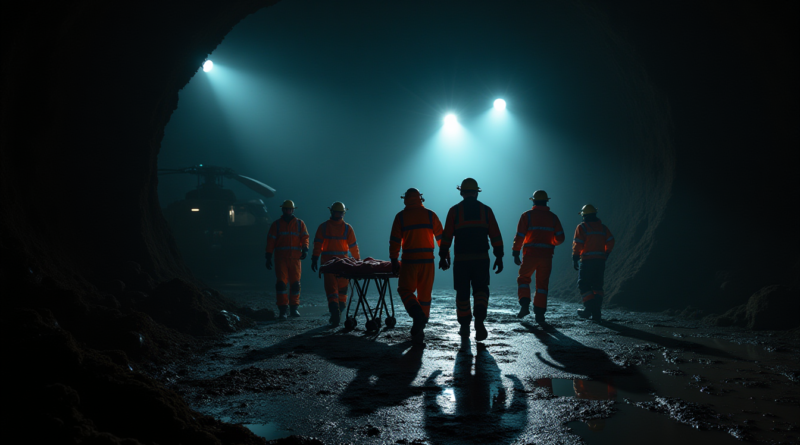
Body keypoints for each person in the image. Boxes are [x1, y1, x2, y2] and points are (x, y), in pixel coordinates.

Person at [439, 178, 504, 341]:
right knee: (481, 290)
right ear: (476, 192)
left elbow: (446, 237)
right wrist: (499, 256)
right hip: (482, 259)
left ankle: (464, 326)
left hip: (461, 261)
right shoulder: (486, 210)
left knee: (462, 293)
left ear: (461, 192)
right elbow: (495, 235)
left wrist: (442, 256)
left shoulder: (454, 211)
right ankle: (480, 321)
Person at [389, 188, 444, 344]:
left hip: (409, 261)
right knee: (424, 295)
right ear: (421, 199)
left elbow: (394, 240)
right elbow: (441, 237)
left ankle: (417, 316)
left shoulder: (400, 217)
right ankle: (420, 325)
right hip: (428, 261)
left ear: (405, 199)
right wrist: (444, 256)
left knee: (405, 290)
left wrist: (394, 260)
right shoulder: (430, 215)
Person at [512, 190, 565, 324]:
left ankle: (524, 305)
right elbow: (560, 238)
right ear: (546, 201)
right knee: (542, 285)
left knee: (524, 279)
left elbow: (520, 236)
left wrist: (516, 251)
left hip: (530, 255)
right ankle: (540, 315)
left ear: (533, 201)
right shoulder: (553, 218)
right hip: (546, 256)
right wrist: (551, 242)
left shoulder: (527, 216)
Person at [311, 201, 360, 326]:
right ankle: (338, 312)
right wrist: (358, 263)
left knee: (332, 291)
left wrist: (315, 258)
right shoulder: (347, 228)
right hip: (343, 265)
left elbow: (318, 245)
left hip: (329, 265)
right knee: (342, 291)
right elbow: (353, 248)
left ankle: (335, 314)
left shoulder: (323, 227)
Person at [265, 200, 310, 320]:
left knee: (295, 284)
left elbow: (305, 237)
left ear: (293, 210)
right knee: (281, 284)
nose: (288, 211)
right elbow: (271, 241)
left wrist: (305, 248)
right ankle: (283, 309)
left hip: (295, 259)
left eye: (290, 209)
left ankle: (294, 308)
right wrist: (268, 255)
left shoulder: (300, 224)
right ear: (283, 210)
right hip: (281, 259)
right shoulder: (277, 225)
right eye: (286, 209)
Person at [572, 204, 615, 321]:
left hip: (587, 261)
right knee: (597, 286)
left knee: (583, 284)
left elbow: (578, 244)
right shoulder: (603, 228)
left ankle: (589, 309)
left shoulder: (582, 227)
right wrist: (606, 253)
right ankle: (597, 313)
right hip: (600, 262)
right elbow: (611, 241)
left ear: (584, 215)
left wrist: (575, 257)